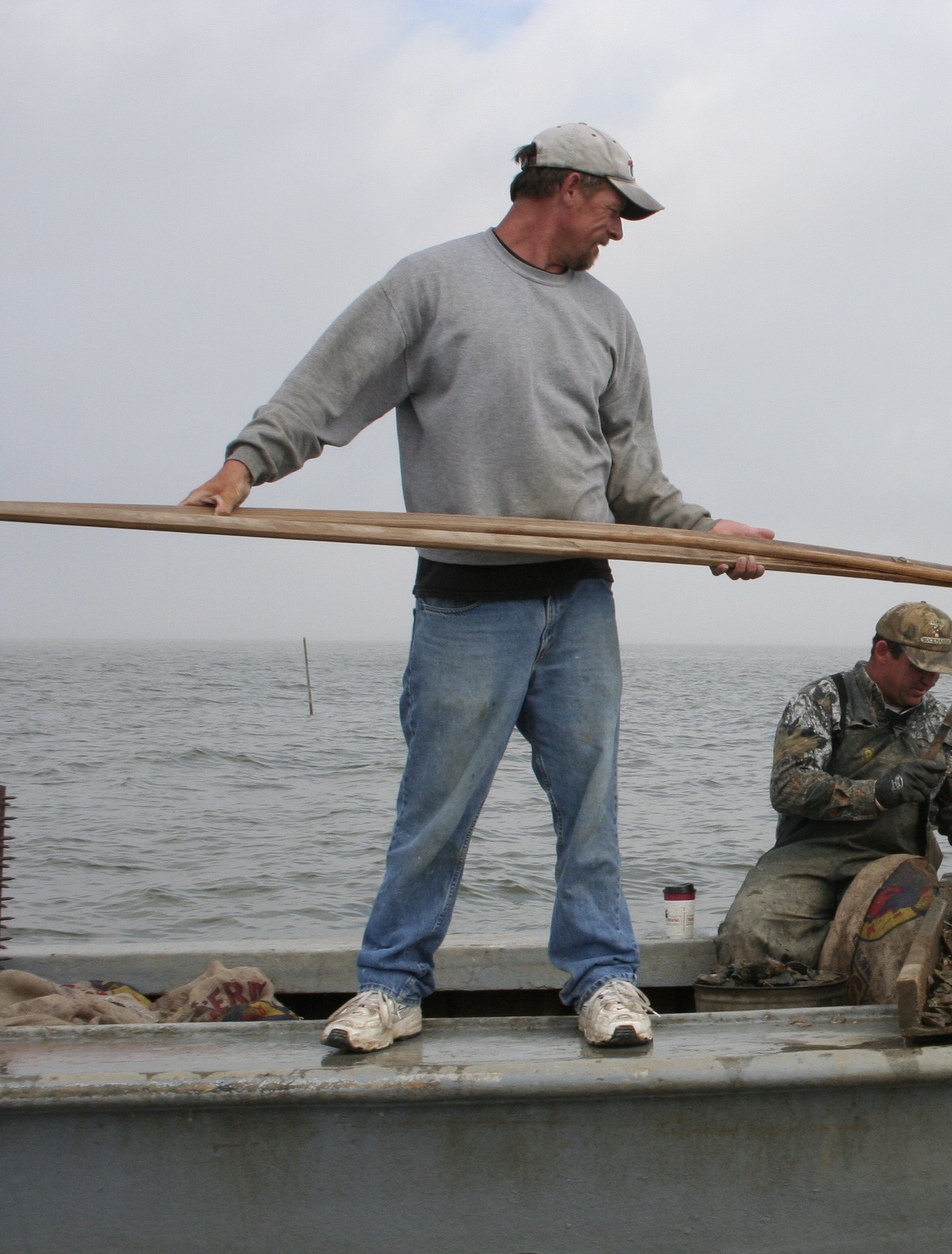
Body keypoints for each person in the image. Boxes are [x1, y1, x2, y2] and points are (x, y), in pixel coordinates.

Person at [180, 123, 774, 1053]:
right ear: (571, 188)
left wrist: (704, 537)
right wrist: (242, 467)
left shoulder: (609, 318)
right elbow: (325, 386)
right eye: (617, 208)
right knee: (434, 814)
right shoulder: (433, 283)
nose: (620, 231)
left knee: (591, 810)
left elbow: (634, 484)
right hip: (464, 603)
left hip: (577, 599)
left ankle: (605, 977)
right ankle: (392, 987)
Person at [717, 602, 952, 968]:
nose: (931, 681)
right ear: (883, 652)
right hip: (806, 858)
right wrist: (880, 792)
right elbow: (789, 787)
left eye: (939, 671)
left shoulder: (948, 730)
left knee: (902, 953)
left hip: (896, 866)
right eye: (920, 668)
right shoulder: (822, 701)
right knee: (747, 934)